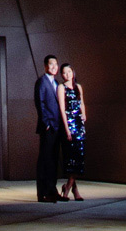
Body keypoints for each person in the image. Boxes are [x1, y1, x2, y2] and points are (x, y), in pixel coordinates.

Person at [56, 61, 87, 201]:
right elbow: (62, 109)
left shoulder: (78, 87)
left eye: (69, 71)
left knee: (79, 157)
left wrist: (84, 115)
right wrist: (67, 129)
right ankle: (71, 187)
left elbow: (82, 103)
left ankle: (69, 186)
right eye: (64, 72)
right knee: (70, 157)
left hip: (79, 124)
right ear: (61, 75)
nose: (67, 75)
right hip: (68, 124)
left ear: (73, 72)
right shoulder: (61, 87)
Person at [33, 54, 61, 202]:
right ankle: (42, 193)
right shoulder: (41, 82)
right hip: (48, 127)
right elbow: (40, 104)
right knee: (45, 160)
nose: (54, 67)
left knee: (54, 161)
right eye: (51, 64)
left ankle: (52, 190)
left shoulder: (56, 82)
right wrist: (47, 124)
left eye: (56, 64)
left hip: (57, 128)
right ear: (45, 66)